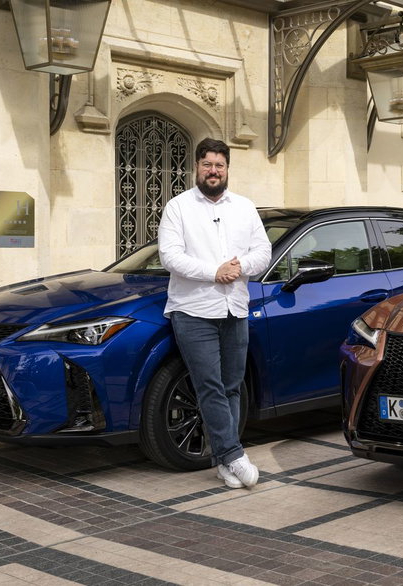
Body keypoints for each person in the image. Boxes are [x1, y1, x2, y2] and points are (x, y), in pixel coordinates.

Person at [157, 138, 271, 489]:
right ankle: (235, 454)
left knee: (233, 386)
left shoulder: (245, 207)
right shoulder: (178, 208)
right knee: (209, 387)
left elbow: (263, 251)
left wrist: (240, 268)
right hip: (193, 311)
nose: (213, 171)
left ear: (227, 169)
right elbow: (169, 256)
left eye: (219, 165)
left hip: (235, 307)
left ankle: (223, 461)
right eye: (207, 164)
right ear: (197, 167)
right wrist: (214, 272)